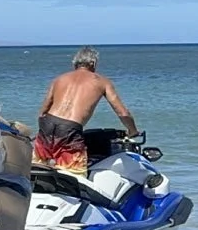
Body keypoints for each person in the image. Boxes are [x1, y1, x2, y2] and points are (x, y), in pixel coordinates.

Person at [33, 46, 138, 175]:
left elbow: (43, 111)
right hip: (70, 128)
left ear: (75, 63)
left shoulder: (59, 79)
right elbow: (122, 112)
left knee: (40, 171)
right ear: (93, 63)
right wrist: (133, 131)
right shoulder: (102, 82)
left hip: (47, 123)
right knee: (74, 175)